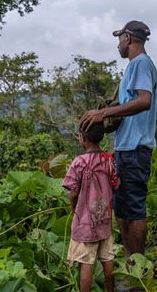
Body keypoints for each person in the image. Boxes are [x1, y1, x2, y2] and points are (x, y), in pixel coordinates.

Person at [80, 20, 157, 261]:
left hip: (135, 150)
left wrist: (102, 113)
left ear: (128, 38)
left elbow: (144, 100)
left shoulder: (141, 64)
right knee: (124, 211)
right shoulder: (136, 66)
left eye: (119, 39)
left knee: (133, 212)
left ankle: (137, 271)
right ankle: (130, 265)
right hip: (127, 150)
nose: (118, 45)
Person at [63, 121, 120, 292]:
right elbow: (116, 185)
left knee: (86, 265)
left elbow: (72, 192)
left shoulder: (79, 162)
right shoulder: (109, 160)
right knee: (108, 261)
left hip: (85, 223)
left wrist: (74, 207)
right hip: (104, 220)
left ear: (82, 138)